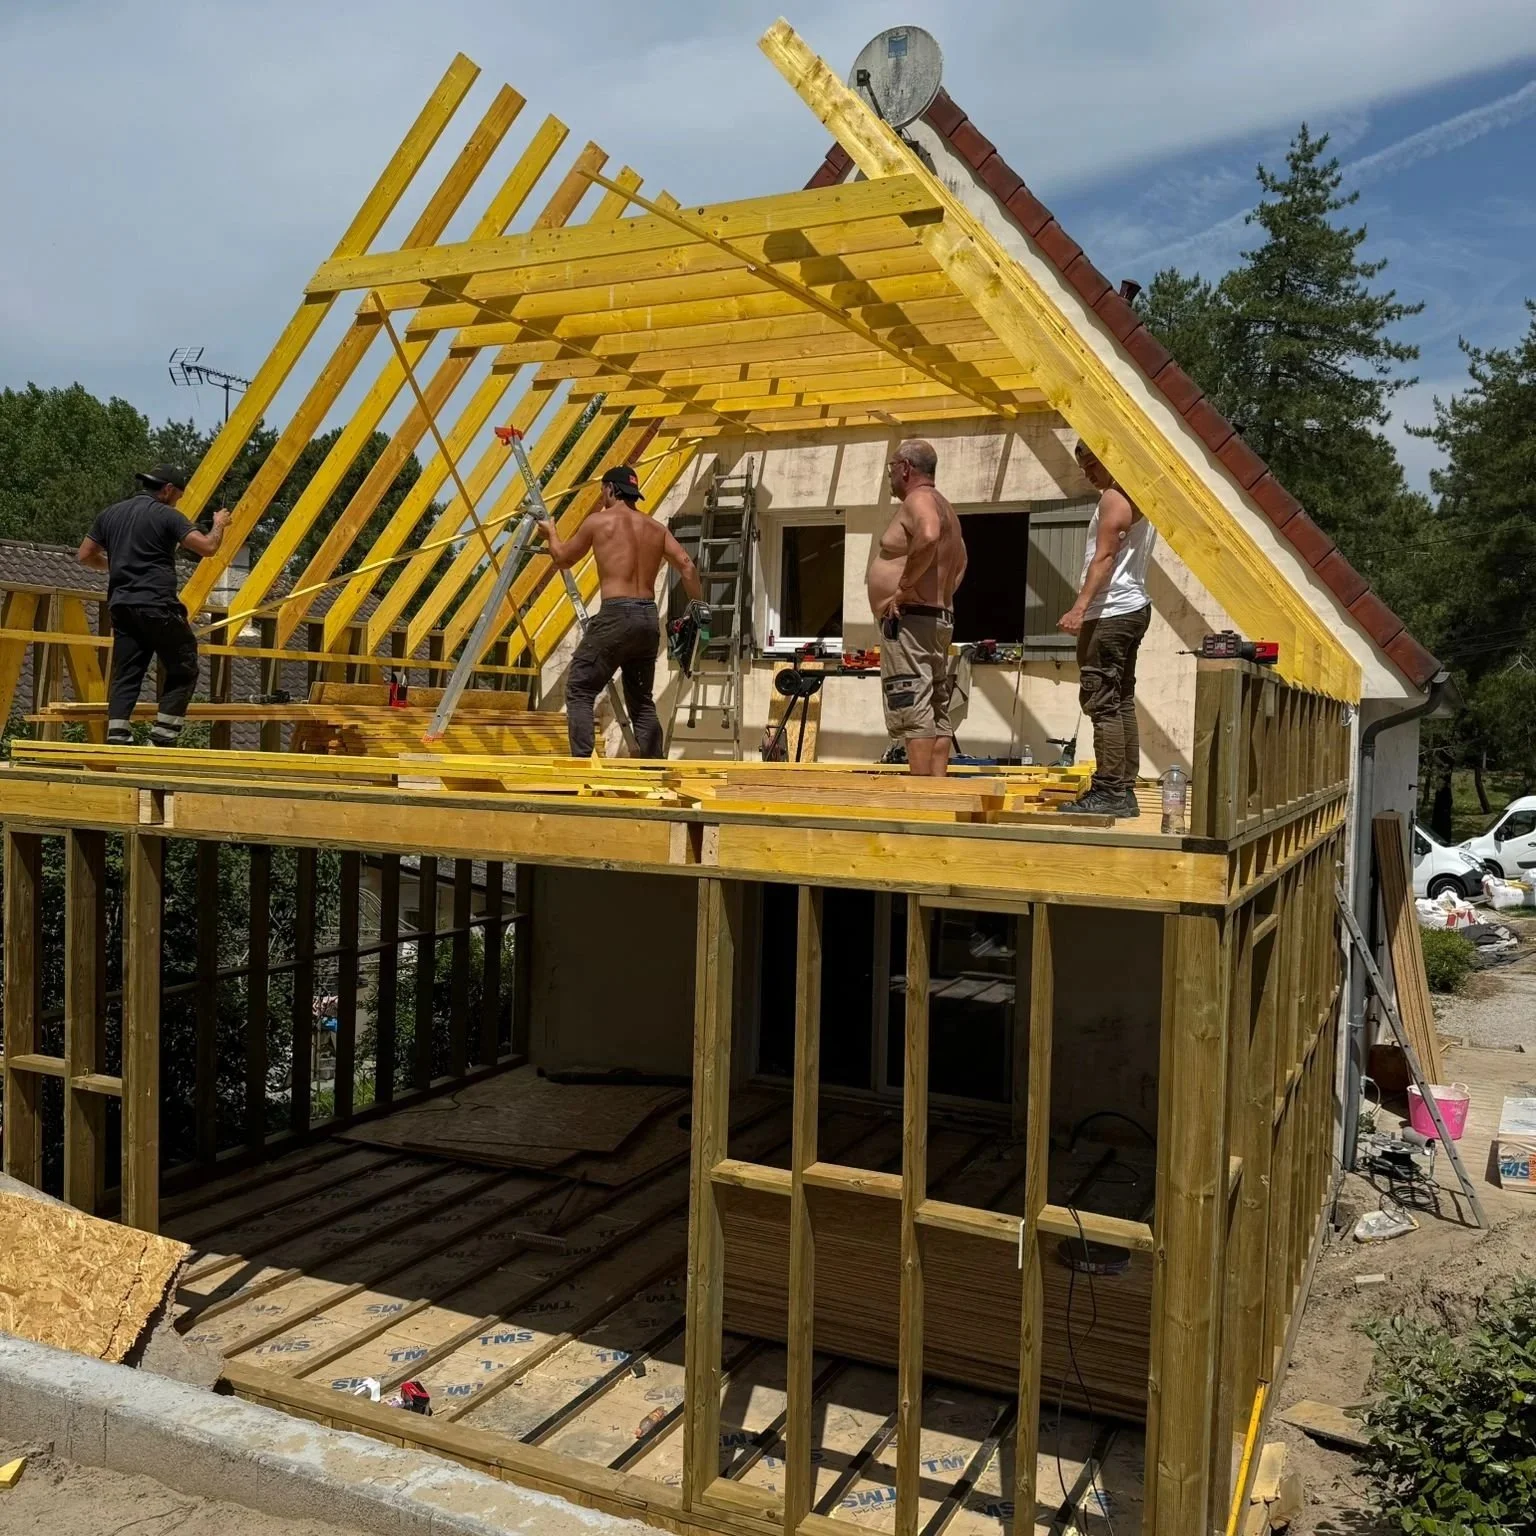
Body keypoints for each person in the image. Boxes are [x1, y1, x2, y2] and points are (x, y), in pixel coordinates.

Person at [537, 463, 703, 759]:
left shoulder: (598, 522)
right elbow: (687, 566)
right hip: (647, 619)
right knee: (641, 703)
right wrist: (699, 608)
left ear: (611, 489)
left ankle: (582, 766)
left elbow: (562, 559)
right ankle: (654, 771)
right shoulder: (655, 527)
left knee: (580, 689)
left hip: (616, 614)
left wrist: (550, 533)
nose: (602, 498)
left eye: (603, 492)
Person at [76, 465, 230, 747]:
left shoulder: (110, 514)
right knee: (184, 666)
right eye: (178, 496)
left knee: (128, 671)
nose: (177, 501)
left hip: (122, 606)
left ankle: (118, 735)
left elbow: (85, 556)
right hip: (157, 604)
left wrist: (119, 566)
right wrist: (218, 522)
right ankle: (162, 737)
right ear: (168, 490)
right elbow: (208, 547)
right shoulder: (167, 516)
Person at [1058, 440, 1156, 818]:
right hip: (1132, 608)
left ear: (1111, 453)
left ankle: (1111, 790)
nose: (1087, 472)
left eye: (1090, 462)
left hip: (1112, 611)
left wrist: (1079, 607)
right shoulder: (1139, 495)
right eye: (1082, 466)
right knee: (1120, 698)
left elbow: (1105, 556)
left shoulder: (1115, 498)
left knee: (1101, 701)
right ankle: (1124, 788)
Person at [867, 438, 968, 776]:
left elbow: (928, 535)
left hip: (911, 621)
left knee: (912, 706)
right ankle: (936, 791)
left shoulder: (919, 500)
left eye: (891, 468)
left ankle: (921, 795)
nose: (889, 476)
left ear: (906, 468)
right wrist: (940, 596)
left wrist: (904, 590)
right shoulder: (945, 505)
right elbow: (962, 561)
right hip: (936, 619)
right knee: (937, 707)